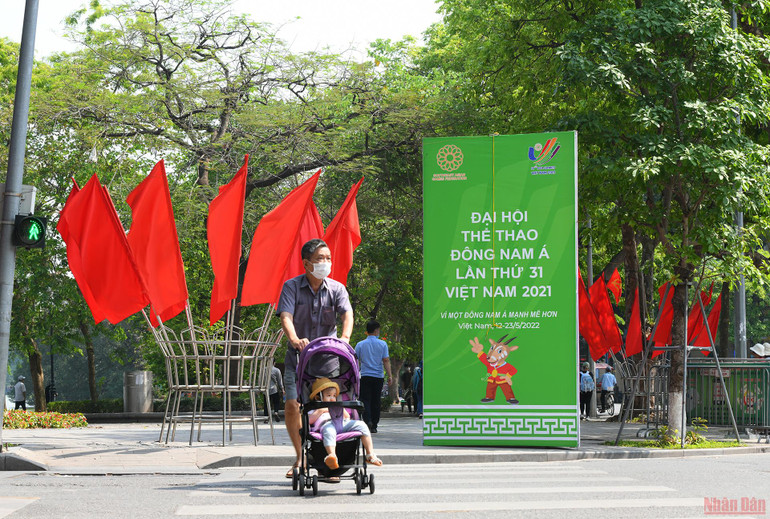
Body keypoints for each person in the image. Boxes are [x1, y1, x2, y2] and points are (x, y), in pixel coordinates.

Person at [277, 238, 354, 479]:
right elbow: (286, 316)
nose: (326, 263)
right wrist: (294, 338)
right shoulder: (291, 287)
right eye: (320, 259)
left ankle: (329, 462)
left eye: (328, 258)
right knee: (293, 406)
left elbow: (347, 314)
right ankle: (300, 457)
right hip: (298, 359)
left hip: (329, 360)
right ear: (306, 263)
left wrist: (345, 337)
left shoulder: (337, 288)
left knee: (329, 409)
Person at [307, 377, 382, 469]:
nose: (332, 398)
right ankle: (332, 455)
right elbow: (309, 421)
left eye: (334, 396)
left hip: (342, 424)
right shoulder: (314, 409)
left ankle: (370, 454)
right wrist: (320, 411)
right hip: (326, 424)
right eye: (329, 395)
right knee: (329, 431)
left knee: (362, 425)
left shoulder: (336, 406)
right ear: (318, 397)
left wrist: (341, 408)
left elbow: (347, 417)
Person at [354, 320, 392, 433]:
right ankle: (374, 425)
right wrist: (390, 375)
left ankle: (367, 421)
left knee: (365, 399)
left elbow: (356, 361)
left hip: (365, 376)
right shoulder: (383, 344)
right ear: (376, 330)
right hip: (378, 377)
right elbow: (386, 360)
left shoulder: (360, 345)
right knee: (376, 400)